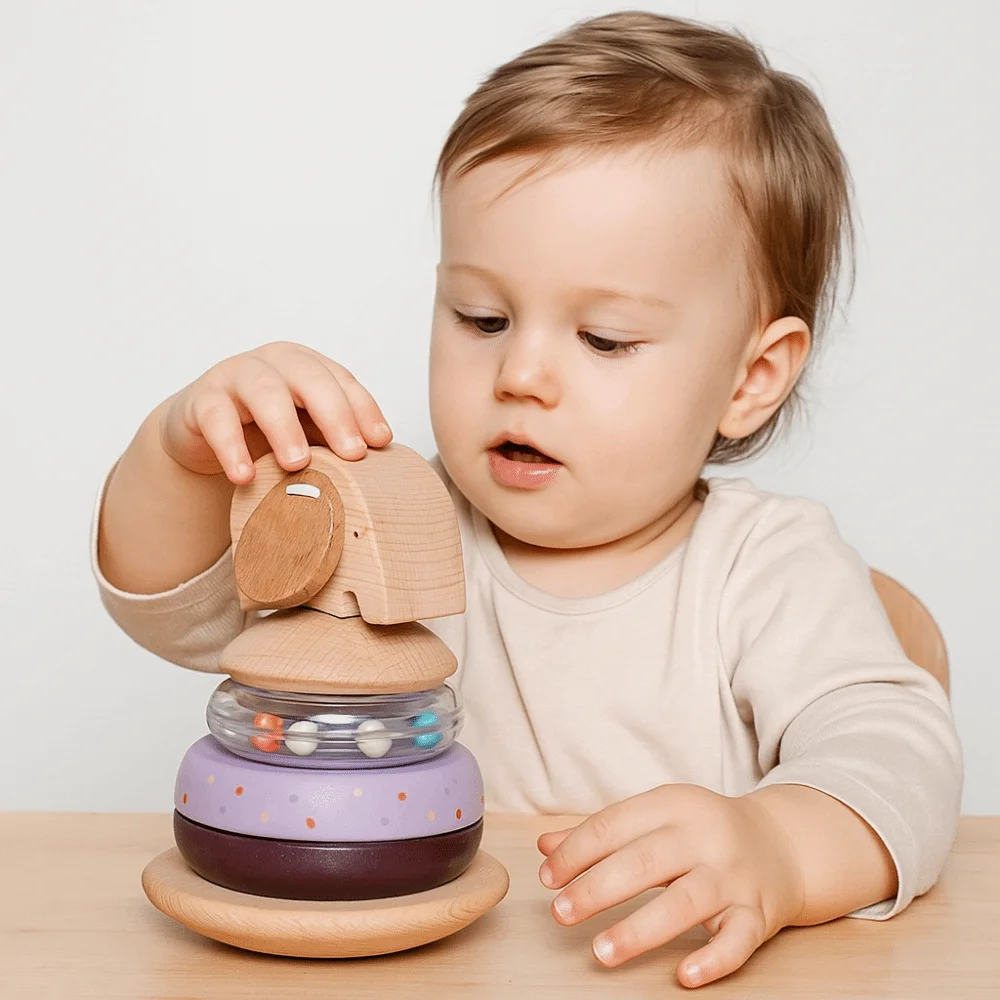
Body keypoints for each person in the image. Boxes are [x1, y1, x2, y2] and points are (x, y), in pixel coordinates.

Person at [91, 11, 962, 989]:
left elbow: (901, 758)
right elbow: (176, 609)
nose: (522, 373)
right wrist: (183, 448)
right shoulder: (396, 526)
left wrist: (777, 845)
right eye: (482, 317)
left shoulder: (769, 568)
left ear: (749, 377)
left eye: (603, 339)